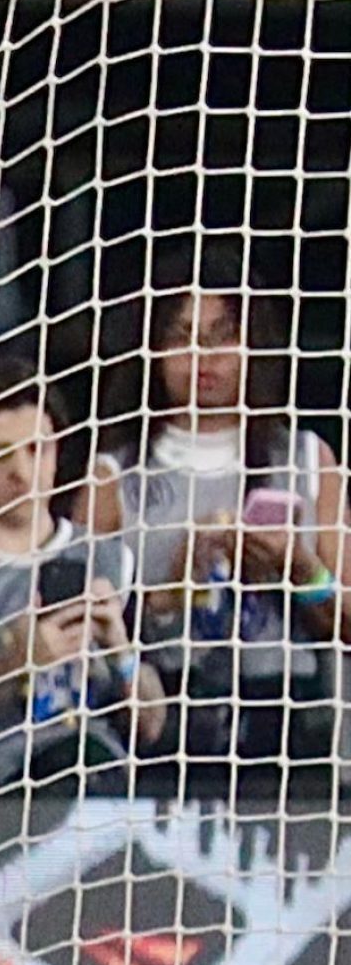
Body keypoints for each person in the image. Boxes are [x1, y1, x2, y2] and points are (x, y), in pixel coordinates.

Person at [85, 269, 349, 774]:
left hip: (287, 716)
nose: (203, 356)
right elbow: (82, 633)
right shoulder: (113, 473)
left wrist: (297, 569)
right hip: (163, 719)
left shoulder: (308, 458)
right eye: (182, 337)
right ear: (154, 351)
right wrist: (170, 591)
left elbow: (346, 624)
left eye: (223, 335)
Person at [0, 352, 165, 792]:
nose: (22, 472)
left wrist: (121, 652)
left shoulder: (109, 561)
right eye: (0, 454)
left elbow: (150, 727)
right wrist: (13, 664)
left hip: (97, 792)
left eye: (37, 449)